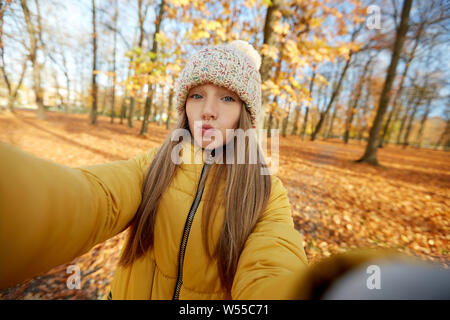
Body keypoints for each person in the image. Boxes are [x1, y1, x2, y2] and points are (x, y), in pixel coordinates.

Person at [0, 40, 309, 299]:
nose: (207, 111)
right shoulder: (154, 165)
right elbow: (95, 197)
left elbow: (272, 266)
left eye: (227, 98)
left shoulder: (266, 193)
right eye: (196, 95)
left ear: (245, 113)